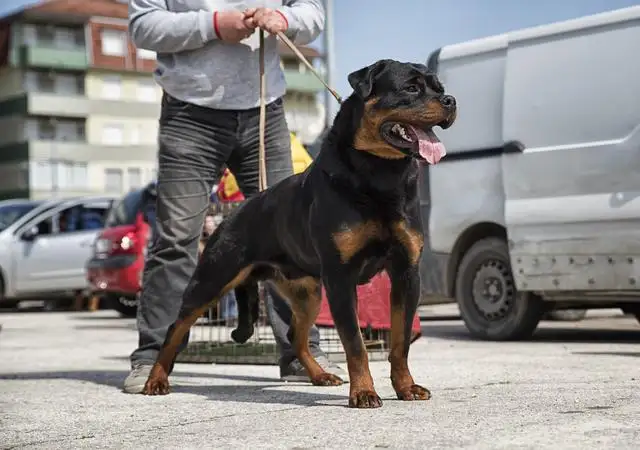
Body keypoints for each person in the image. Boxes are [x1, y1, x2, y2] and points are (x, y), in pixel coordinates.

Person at [124, 0, 345, 393]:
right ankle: (153, 358)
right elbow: (143, 26)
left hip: (265, 108)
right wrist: (212, 24)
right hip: (189, 115)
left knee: (293, 238)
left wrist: (285, 18)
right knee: (176, 239)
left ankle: (299, 355)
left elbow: (312, 14)